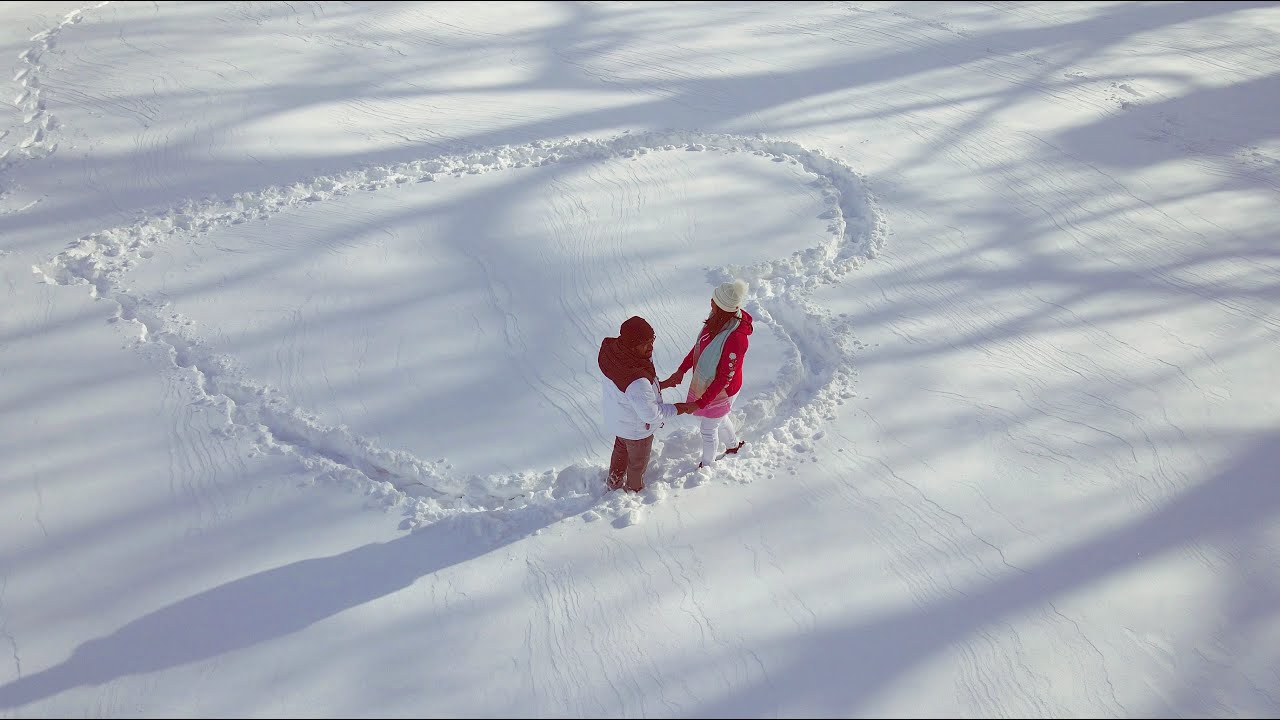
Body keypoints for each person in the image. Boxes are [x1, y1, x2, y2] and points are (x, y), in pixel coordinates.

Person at [661, 279, 753, 468]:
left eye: (714, 300)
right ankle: (733, 446)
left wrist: (700, 403)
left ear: (722, 307)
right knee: (720, 417)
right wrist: (681, 370)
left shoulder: (736, 339)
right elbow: (699, 348)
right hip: (713, 385)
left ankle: (706, 466)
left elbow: (723, 379)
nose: (710, 302)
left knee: (708, 428)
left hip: (725, 390)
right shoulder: (717, 320)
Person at [599, 316, 696, 492]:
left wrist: (662, 384)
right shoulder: (636, 380)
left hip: (619, 419)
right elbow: (651, 414)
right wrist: (680, 408)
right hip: (637, 430)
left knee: (621, 449)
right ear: (631, 344)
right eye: (645, 343)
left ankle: (614, 482)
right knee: (637, 463)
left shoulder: (614, 353)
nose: (651, 347)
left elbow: (630, 392)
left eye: (652, 340)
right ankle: (634, 490)